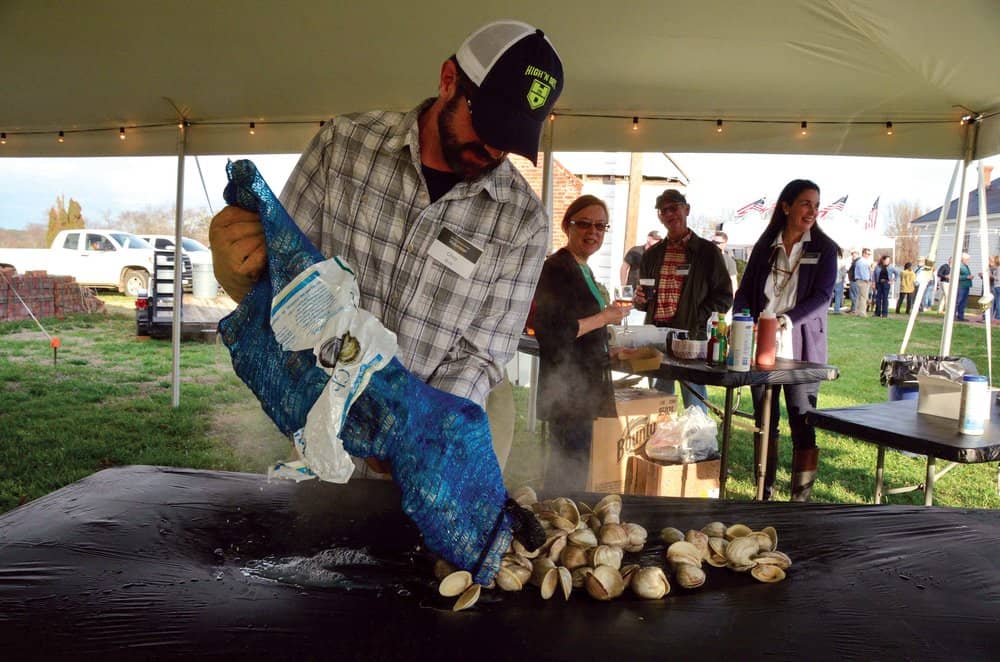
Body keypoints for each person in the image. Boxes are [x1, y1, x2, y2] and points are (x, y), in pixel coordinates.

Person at [208, 20, 563, 474]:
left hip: (431, 442)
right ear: (449, 80)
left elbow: (483, 353)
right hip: (326, 422)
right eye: (488, 124)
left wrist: (417, 435)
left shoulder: (522, 221)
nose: (493, 149)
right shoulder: (344, 147)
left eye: (511, 139)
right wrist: (239, 270)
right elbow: (287, 278)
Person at [734, 179, 838, 502]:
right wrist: (742, 320)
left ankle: (799, 502)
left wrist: (785, 320)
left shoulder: (825, 249)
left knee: (802, 422)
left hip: (800, 349)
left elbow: (822, 297)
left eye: (816, 205)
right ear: (786, 206)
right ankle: (763, 493)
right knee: (765, 423)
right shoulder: (765, 247)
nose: (812, 211)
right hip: (761, 346)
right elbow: (744, 293)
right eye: (806, 203)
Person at [533, 195, 628, 493]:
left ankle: (560, 517)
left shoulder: (582, 268)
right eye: (584, 224)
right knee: (567, 470)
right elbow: (553, 332)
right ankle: (556, 524)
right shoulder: (556, 269)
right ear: (567, 226)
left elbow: (583, 329)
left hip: (584, 386)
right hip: (566, 391)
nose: (593, 232)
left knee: (575, 464)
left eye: (600, 226)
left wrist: (608, 349)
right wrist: (605, 316)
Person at [633, 189, 732, 412]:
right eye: (663, 210)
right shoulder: (652, 255)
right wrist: (639, 299)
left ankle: (699, 445)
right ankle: (659, 444)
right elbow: (645, 299)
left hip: (691, 338)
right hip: (656, 337)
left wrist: (699, 317)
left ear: (686, 209)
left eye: (674, 208)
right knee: (658, 403)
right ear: (659, 216)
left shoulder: (708, 252)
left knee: (694, 402)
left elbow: (724, 296)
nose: (669, 214)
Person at [852, 248, 872, 317]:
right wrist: (867, 280)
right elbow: (863, 272)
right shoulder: (862, 261)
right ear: (863, 253)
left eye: (870, 254)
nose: (869, 255)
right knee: (863, 297)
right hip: (863, 281)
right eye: (867, 254)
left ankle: (857, 312)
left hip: (860, 280)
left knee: (859, 297)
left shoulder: (861, 261)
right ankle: (862, 313)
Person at [955, 253, 973, 321]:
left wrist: (969, 277)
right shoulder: (960, 266)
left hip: (966, 286)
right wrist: (967, 277)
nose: (969, 260)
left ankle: (961, 316)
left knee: (963, 302)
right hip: (961, 286)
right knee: (958, 301)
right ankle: (954, 315)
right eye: (967, 259)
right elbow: (956, 276)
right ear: (963, 259)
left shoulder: (966, 266)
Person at [832, 248, 847, 314]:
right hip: (839, 280)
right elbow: (844, 272)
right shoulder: (842, 261)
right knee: (838, 296)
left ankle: (825, 309)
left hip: (831, 280)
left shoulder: (831, 260)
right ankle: (836, 310)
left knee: (829, 295)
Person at [846, 249, 860, 313]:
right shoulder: (854, 261)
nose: (853, 255)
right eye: (852, 254)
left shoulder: (858, 261)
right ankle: (852, 308)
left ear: (857, 254)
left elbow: (857, 271)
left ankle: (854, 309)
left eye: (854, 254)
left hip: (855, 280)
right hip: (852, 280)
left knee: (854, 295)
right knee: (852, 295)